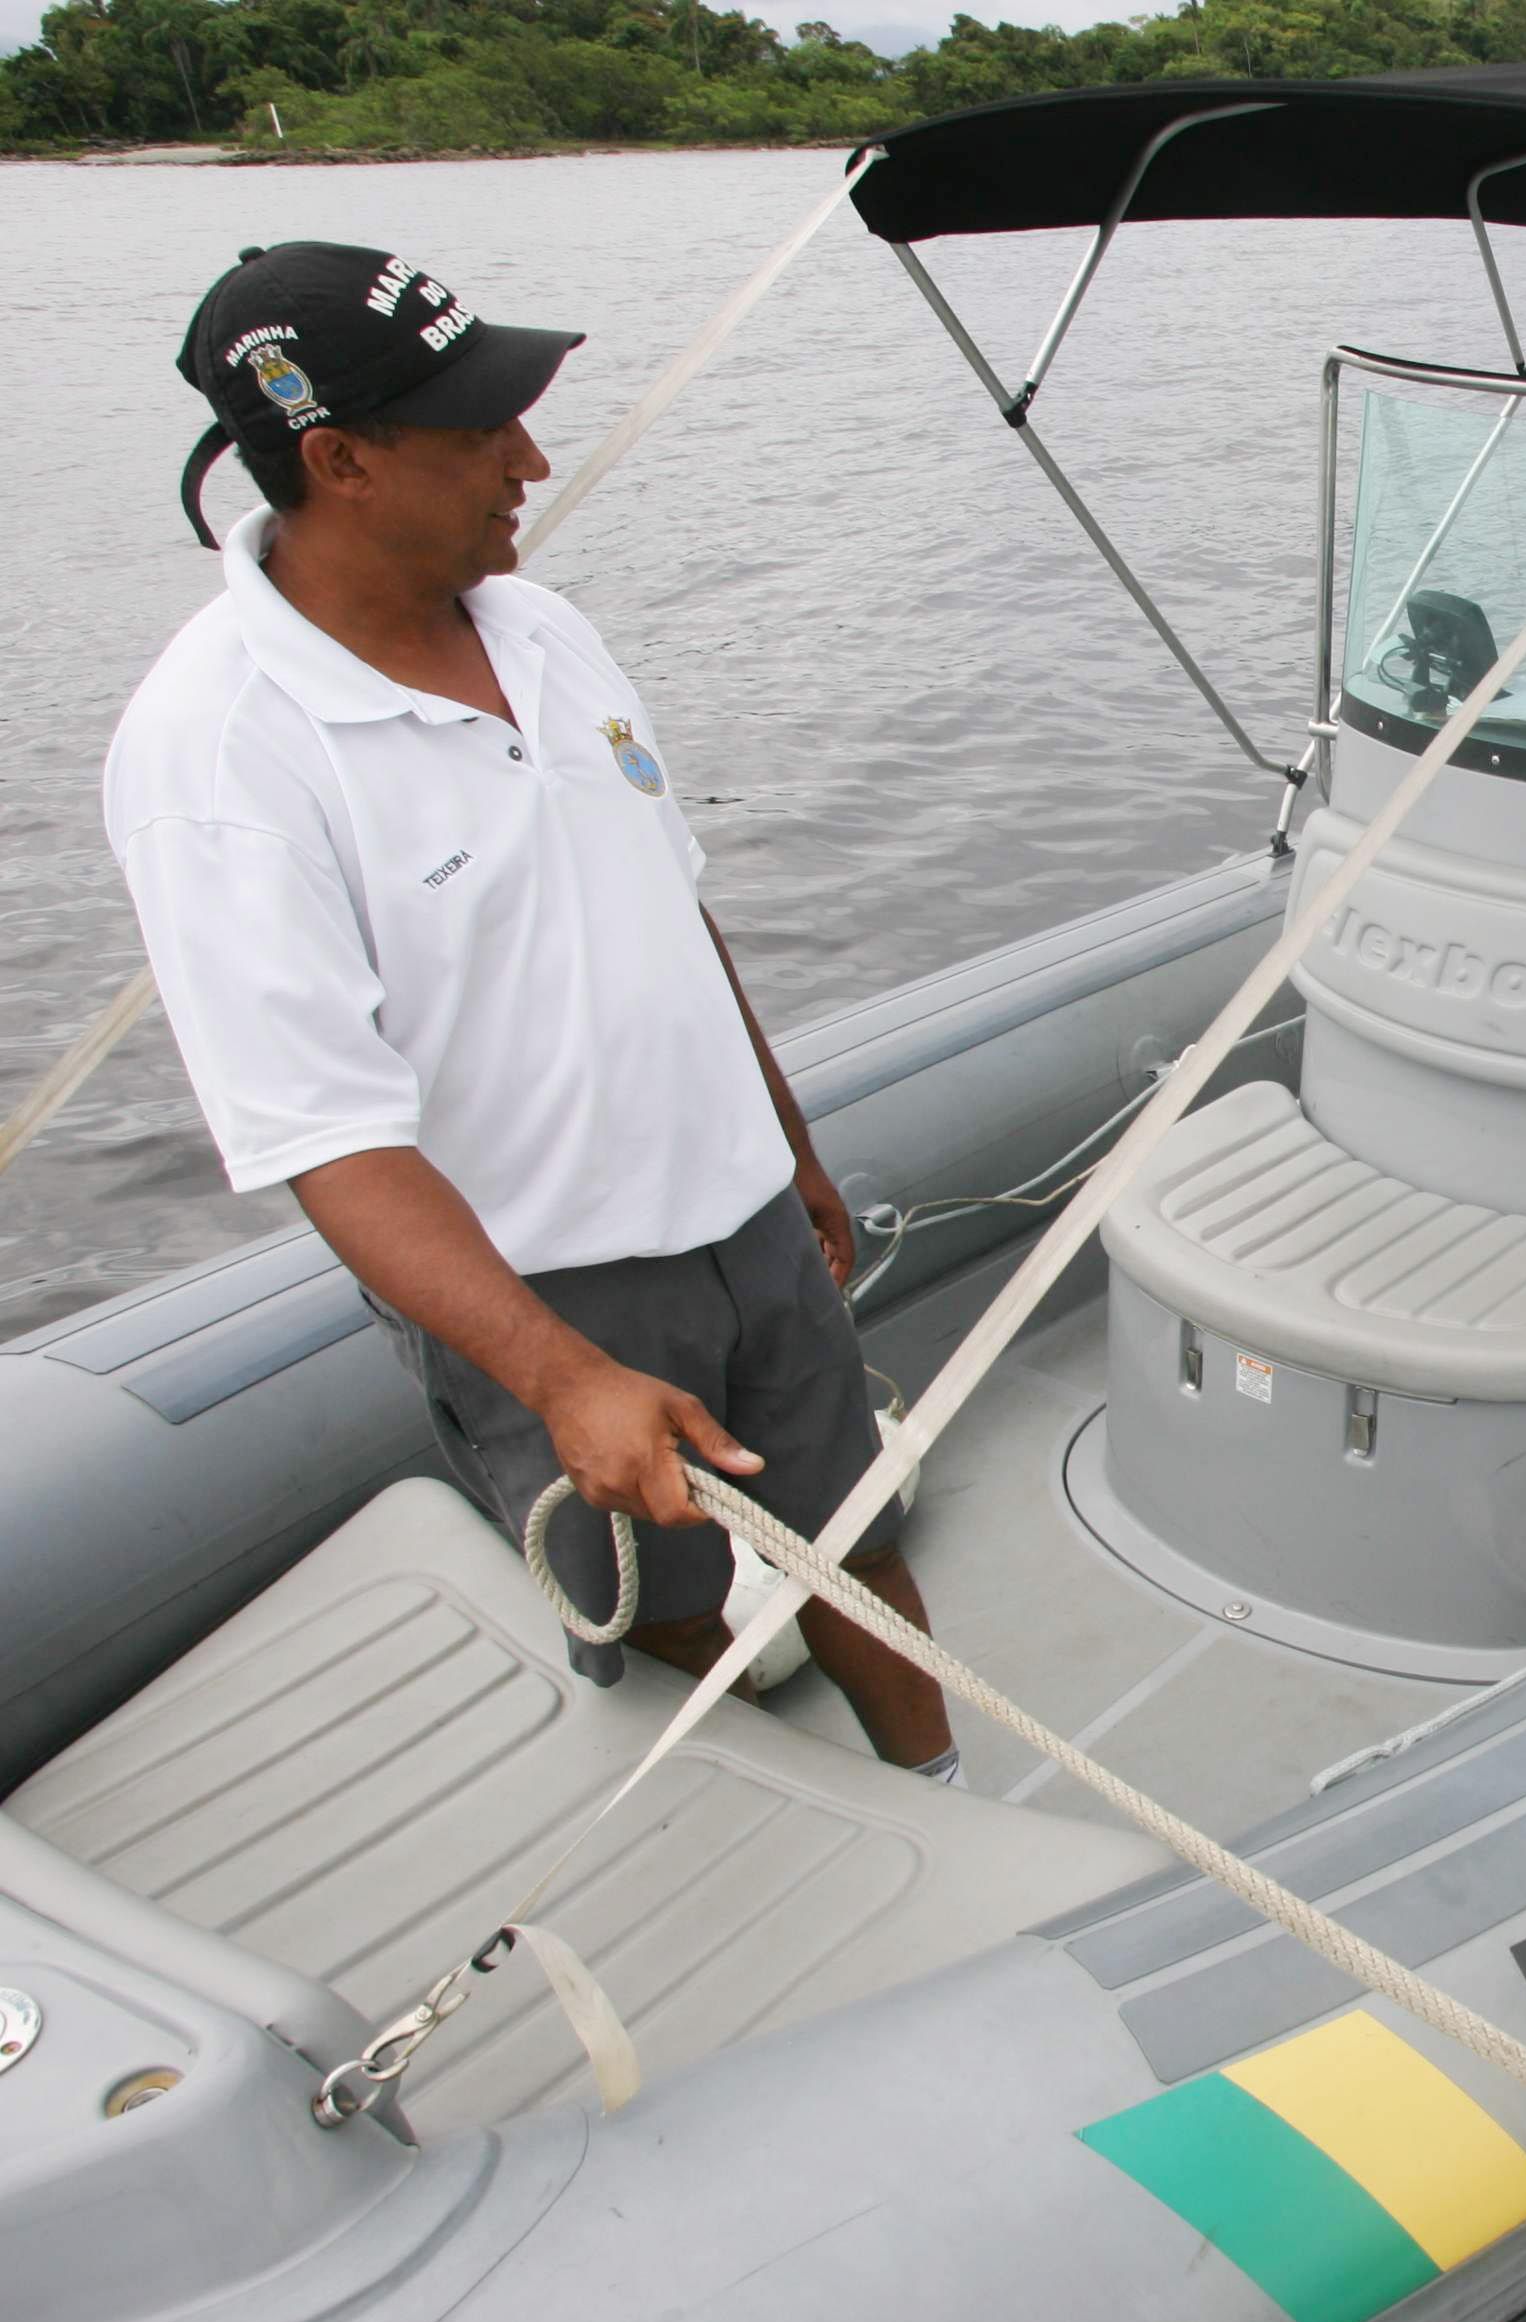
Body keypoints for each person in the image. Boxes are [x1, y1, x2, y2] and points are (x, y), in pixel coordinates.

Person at [107, 243, 961, 1780]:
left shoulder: (543, 627)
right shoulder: (218, 755)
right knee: (672, 1625)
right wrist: (564, 1377)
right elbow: (326, 1137)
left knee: (858, 1547)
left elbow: (668, 900)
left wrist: (789, 1147)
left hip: (748, 1222)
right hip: (556, 1289)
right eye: (481, 431)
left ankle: (943, 1783)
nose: (533, 461)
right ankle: (770, 1835)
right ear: (340, 459)